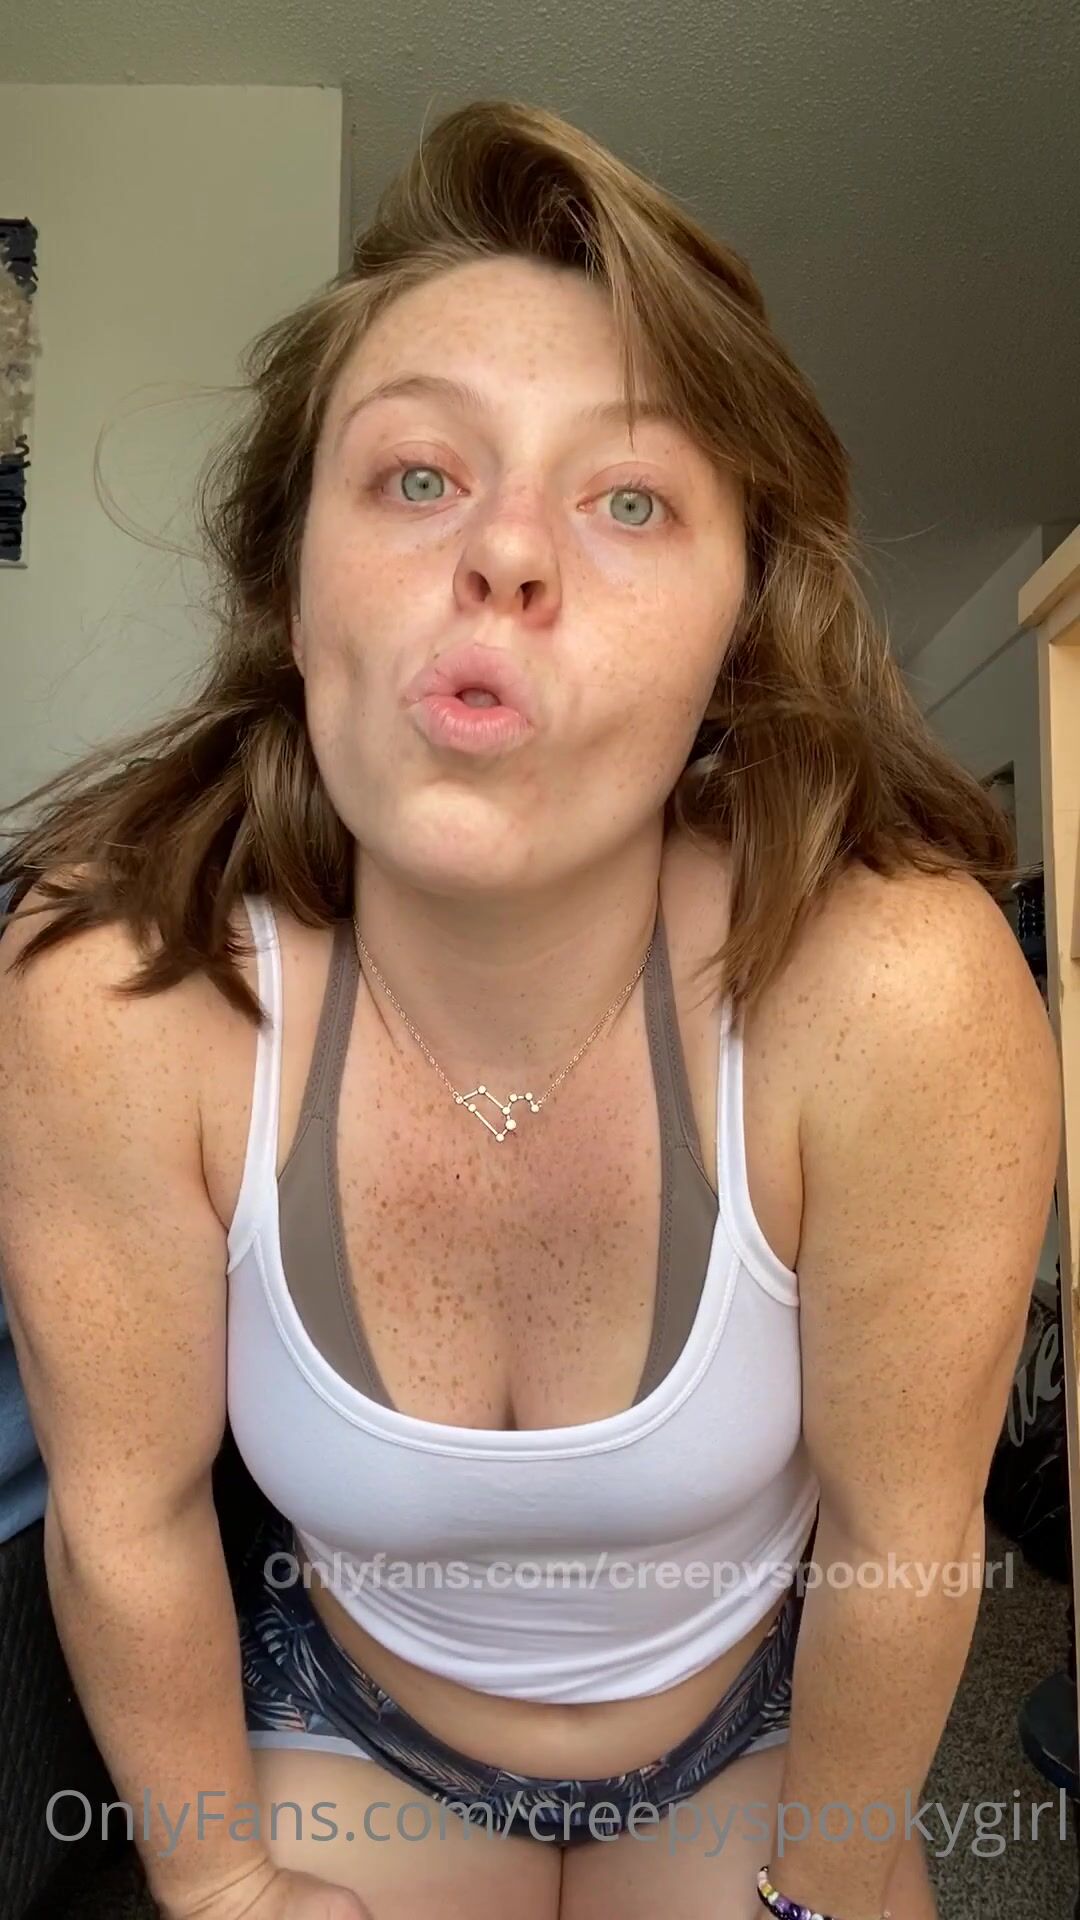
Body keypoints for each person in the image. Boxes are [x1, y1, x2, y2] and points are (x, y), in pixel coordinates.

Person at [0, 98, 1062, 1920]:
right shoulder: (112, 983)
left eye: (629, 497)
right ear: (292, 591)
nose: (505, 552)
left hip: (750, 1743)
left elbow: (906, 1540)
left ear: (738, 635)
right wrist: (228, 1890)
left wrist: (824, 1885)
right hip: (353, 1730)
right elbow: (124, 1515)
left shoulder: (902, 987)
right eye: (418, 476)